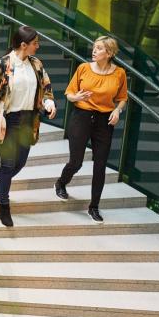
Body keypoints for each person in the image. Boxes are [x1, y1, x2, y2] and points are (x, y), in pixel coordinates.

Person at [0, 26, 56, 227]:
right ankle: (4, 204)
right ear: (23, 45)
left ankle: (0, 184)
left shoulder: (36, 64)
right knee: (8, 164)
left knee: (20, 162)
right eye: (35, 43)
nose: (38, 46)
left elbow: (46, 88)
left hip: (29, 121)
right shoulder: (2, 64)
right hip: (8, 121)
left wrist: (49, 103)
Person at [54, 37, 128, 223]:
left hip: (105, 121)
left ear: (109, 53)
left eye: (99, 48)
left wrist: (118, 111)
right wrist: (76, 97)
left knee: (100, 165)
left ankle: (94, 206)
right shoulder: (83, 68)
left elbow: (123, 98)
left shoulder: (119, 73)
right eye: (94, 47)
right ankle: (61, 182)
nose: (94, 51)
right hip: (81, 117)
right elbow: (69, 94)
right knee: (76, 161)